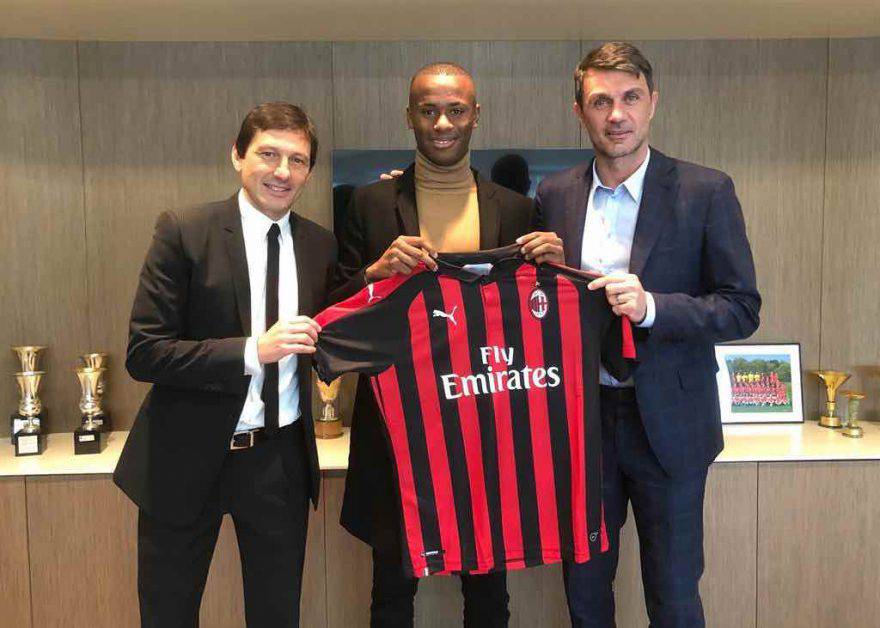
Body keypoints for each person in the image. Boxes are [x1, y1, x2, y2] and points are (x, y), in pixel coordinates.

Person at [535, 42, 761, 627]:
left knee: (675, 596)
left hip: (672, 426)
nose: (617, 114)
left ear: (653, 103)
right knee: (585, 594)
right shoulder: (555, 195)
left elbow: (741, 309)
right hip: (581, 423)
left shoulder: (706, 191)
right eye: (600, 101)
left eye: (630, 98)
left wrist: (653, 308)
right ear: (579, 111)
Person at [332, 62, 562, 627]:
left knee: (488, 593)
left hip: (487, 424)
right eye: (428, 111)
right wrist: (372, 274)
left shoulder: (517, 209)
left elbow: (534, 322)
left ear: (475, 116)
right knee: (391, 590)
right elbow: (332, 311)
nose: (442, 123)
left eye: (455, 110)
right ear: (409, 116)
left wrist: (555, 270)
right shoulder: (367, 204)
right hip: (396, 427)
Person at [113, 102, 337, 627]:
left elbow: (339, 324)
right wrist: (252, 350)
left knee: (277, 615)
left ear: (309, 171)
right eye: (268, 154)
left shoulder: (319, 244)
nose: (283, 172)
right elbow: (145, 352)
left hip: (279, 460)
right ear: (237, 155)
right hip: (184, 455)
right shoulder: (185, 230)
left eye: (298, 160)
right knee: (168, 614)